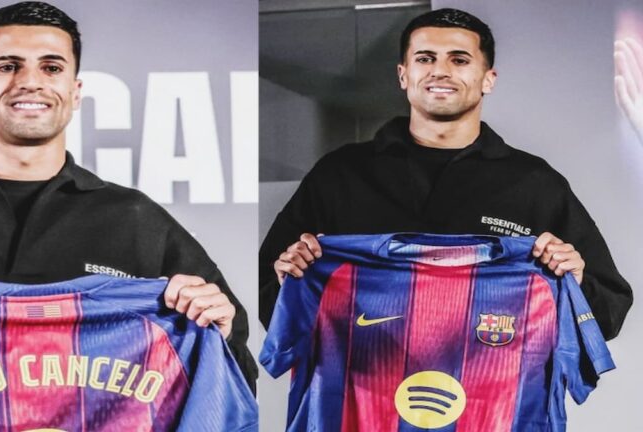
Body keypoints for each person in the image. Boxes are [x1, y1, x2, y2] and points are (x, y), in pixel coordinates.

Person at [0, 1, 257, 389]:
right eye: (8, 66)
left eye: (51, 67)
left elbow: (238, 384)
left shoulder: (135, 219)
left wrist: (218, 335)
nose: (30, 81)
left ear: (74, 92)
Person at [259, 8, 632, 340]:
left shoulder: (533, 182)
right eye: (425, 58)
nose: (440, 70)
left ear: (488, 78)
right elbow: (269, 301)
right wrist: (289, 277)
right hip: (364, 404)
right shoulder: (341, 174)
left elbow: (608, 313)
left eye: (459, 60)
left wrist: (575, 278)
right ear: (403, 75)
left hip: (492, 406)